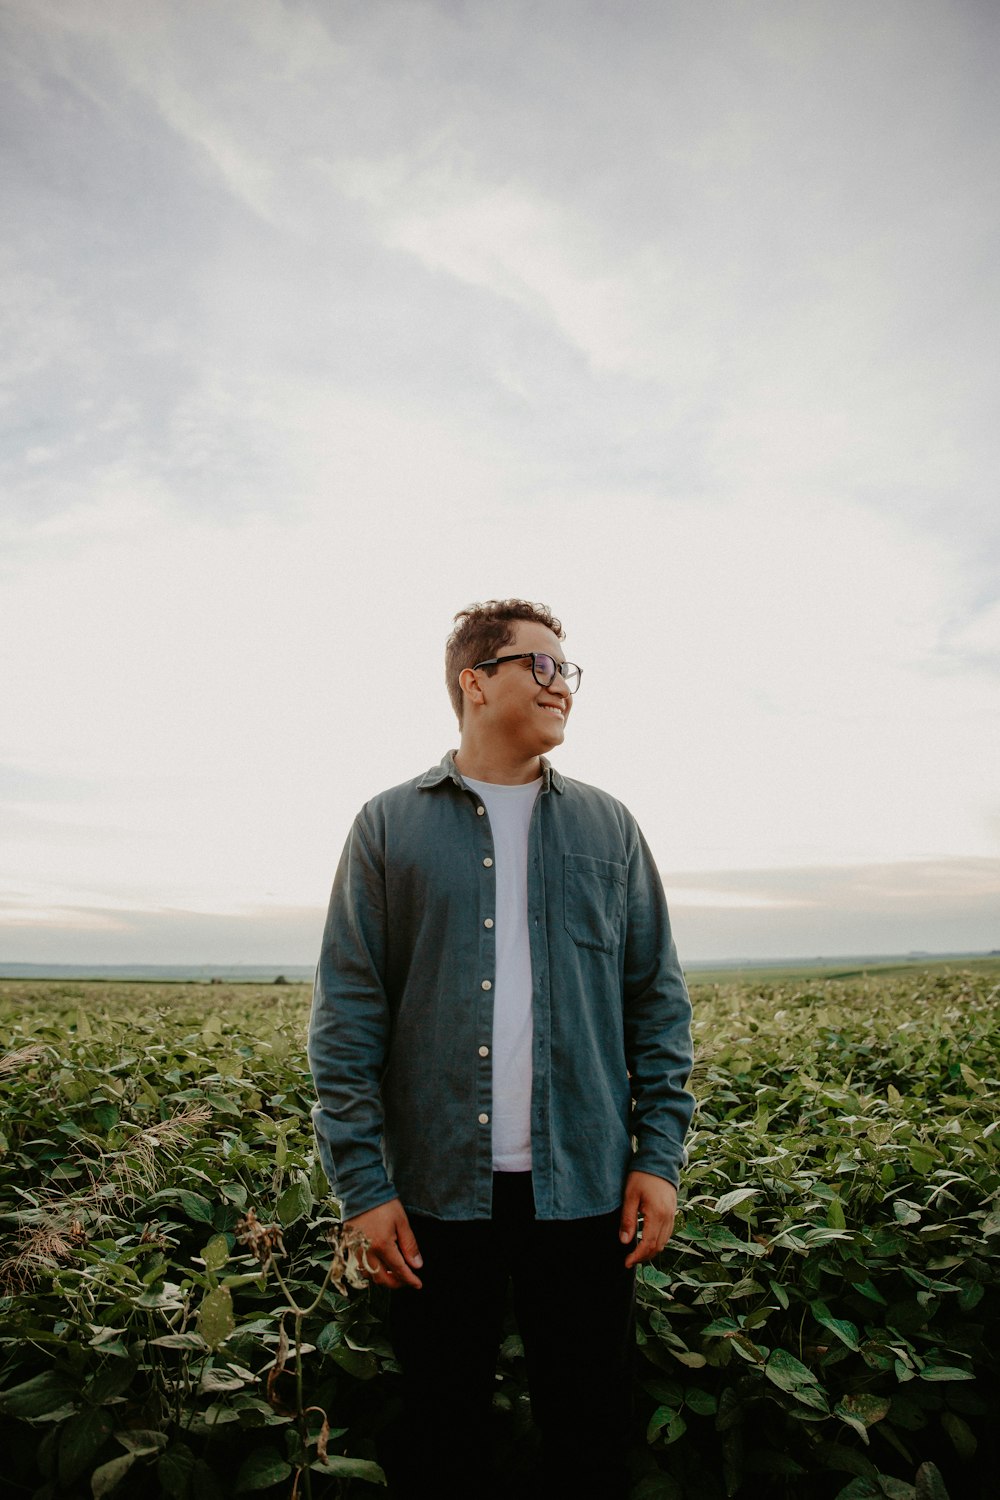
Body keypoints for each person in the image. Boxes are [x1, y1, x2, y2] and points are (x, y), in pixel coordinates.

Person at [308, 599, 694, 1497]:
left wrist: (661, 1158)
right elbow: (348, 1015)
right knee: (444, 1445)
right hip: (436, 1203)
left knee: (590, 1439)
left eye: (571, 672)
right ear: (473, 682)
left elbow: (657, 1003)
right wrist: (365, 1187)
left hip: (588, 1193)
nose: (564, 687)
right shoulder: (387, 826)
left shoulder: (611, 828)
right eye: (542, 666)